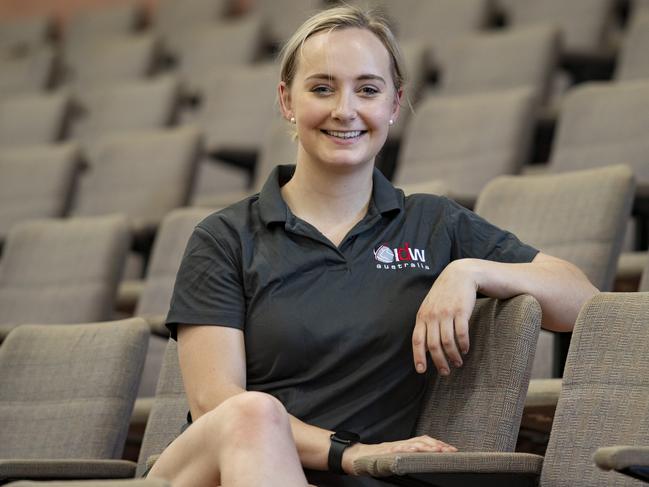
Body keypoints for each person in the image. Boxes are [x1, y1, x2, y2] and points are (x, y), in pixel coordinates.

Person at [149, 6, 598, 487]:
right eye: (322, 88)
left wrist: (470, 271)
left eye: (367, 89)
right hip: (215, 471)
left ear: (393, 103)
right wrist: (351, 452)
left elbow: (583, 300)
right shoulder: (225, 237)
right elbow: (215, 403)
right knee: (254, 415)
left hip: (364, 478)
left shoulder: (433, 223)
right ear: (287, 101)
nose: (345, 110)